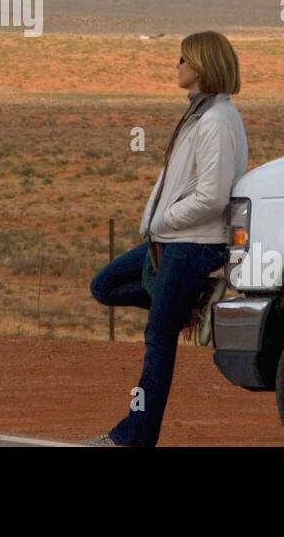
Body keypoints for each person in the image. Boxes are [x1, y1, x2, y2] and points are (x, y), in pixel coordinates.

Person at [84, 30, 248, 447]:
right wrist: (157, 224)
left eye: (183, 58)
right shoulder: (199, 113)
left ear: (202, 65)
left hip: (192, 242)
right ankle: (191, 300)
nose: (176, 64)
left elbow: (212, 196)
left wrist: (164, 221)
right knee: (104, 286)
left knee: (158, 340)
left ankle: (133, 437)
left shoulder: (216, 120)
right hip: (172, 238)